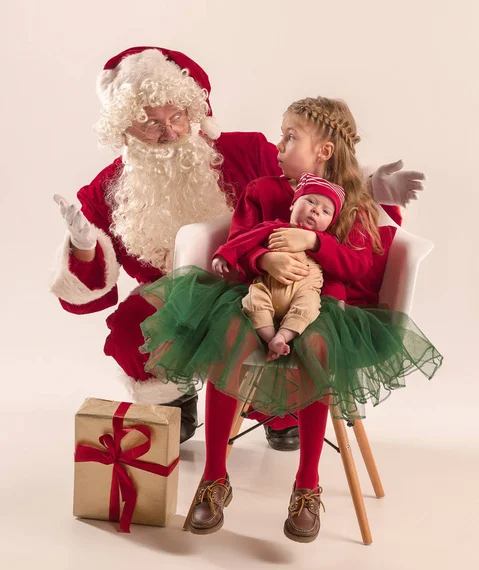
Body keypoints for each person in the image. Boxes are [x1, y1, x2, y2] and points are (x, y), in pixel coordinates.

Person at [50, 45, 425, 448]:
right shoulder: (106, 187)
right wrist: (84, 245)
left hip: (254, 277)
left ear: (194, 111)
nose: (170, 132)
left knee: (275, 319)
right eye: (150, 123)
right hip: (174, 291)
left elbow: (310, 182)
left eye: (177, 116)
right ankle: (175, 399)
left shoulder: (244, 151)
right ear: (125, 128)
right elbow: (91, 290)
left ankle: (277, 408)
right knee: (130, 328)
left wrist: (368, 187)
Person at [159, 95, 442, 543]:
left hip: (324, 307)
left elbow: (363, 266)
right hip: (256, 295)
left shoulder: (351, 204)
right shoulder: (263, 191)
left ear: (324, 150)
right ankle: (214, 477)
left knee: (317, 346)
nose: (278, 144)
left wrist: (314, 242)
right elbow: (236, 243)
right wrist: (264, 258)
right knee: (229, 334)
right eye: (281, 135)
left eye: (290, 137)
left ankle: (307, 484)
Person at [214, 174, 346, 361]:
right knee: (254, 300)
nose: (316, 210)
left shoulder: (325, 243)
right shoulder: (273, 227)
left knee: (310, 305)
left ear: (330, 223)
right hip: (267, 287)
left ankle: (282, 336)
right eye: (310, 201)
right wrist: (224, 254)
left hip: (303, 292)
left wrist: (337, 301)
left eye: (326, 212)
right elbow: (244, 240)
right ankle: (270, 338)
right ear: (293, 204)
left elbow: (334, 276)